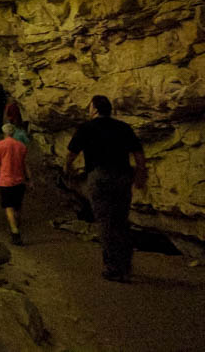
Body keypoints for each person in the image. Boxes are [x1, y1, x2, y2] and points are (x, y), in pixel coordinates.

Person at [63, 94, 147, 283]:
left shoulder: (87, 128)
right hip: (123, 177)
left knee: (105, 221)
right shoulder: (123, 127)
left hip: (99, 177)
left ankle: (113, 267)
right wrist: (140, 174)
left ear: (94, 109)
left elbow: (71, 154)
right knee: (121, 221)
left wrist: (68, 171)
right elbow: (138, 154)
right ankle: (125, 265)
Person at [0, 122, 30, 245]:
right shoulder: (21, 146)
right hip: (19, 180)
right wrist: (30, 179)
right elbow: (25, 164)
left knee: (8, 207)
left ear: (4, 133)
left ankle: (14, 231)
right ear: (13, 132)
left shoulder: (0, 145)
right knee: (18, 206)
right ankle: (17, 225)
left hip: (5, 181)